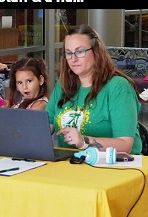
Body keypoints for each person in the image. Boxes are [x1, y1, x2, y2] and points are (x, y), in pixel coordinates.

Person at [45, 24, 142, 155]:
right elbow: (44, 128)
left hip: (117, 168)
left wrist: (84, 141)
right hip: (71, 166)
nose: (73, 59)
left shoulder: (118, 87)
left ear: (96, 52)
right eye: (68, 53)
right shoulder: (63, 85)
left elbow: (125, 145)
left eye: (79, 51)